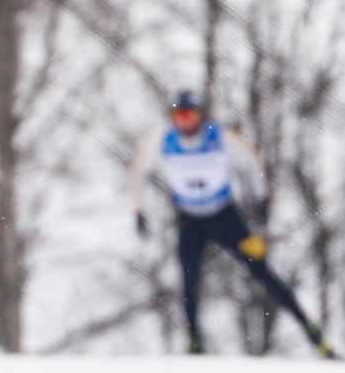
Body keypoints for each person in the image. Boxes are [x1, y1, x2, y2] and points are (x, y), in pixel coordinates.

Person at [128, 89, 335, 358]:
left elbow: (252, 164)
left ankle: (313, 336)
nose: (184, 121)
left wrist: (262, 201)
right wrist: (139, 211)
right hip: (188, 221)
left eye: (189, 114)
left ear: (199, 115)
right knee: (188, 281)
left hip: (224, 218)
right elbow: (138, 173)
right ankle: (194, 343)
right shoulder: (162, 142)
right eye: (178, 115)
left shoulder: (219, 138)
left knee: (262, 272)